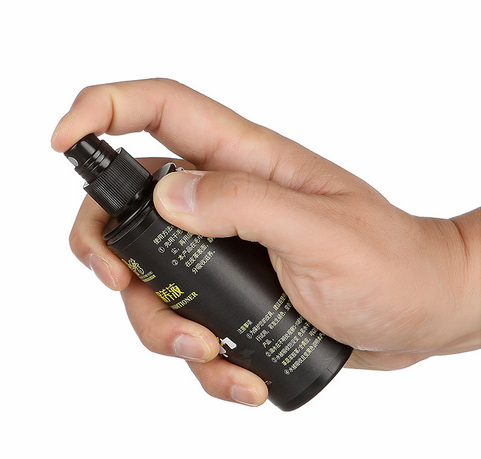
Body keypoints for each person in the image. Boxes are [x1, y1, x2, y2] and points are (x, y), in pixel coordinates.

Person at [52, 78, 481, 407]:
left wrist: (456, 274)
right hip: (328, 343)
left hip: (323, 344)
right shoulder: (145, 222)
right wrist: (453, 276)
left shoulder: (169, 195)